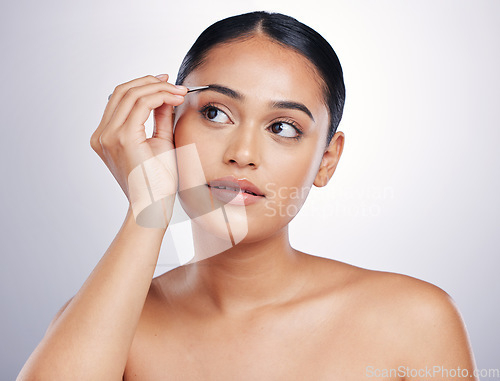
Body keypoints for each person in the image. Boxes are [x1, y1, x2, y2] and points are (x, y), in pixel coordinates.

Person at [18, 11, 477, 380]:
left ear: (326, 161)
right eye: (216, 113)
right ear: (170, 122)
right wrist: (149, 206)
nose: (241, 154)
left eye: (282, 127)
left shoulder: (413, 320)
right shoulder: (110, 321)